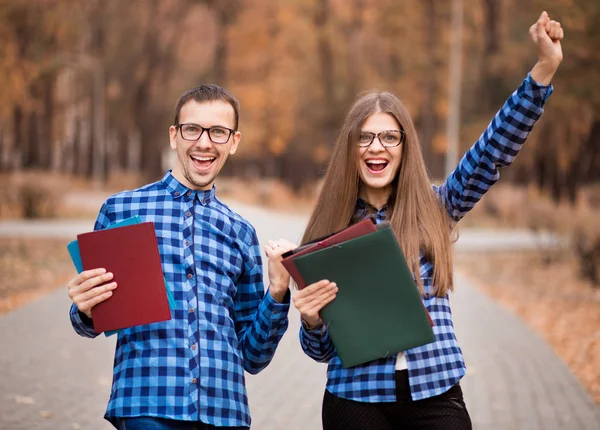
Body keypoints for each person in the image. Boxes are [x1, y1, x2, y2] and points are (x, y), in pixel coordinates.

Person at [292, 11, 564, 430]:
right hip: (355, 398)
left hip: (434, 391)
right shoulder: (330, 231)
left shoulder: (438, 205)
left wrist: (543, 70)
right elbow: (321, 350)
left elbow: (493, 150)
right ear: (351, 148)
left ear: (404, 146)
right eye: (364, 136)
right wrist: (310, 321)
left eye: (388, 136)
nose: (376, 146)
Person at [67, 84, 295, 430]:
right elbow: (89, 321)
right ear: (175, 136)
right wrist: (85, 309)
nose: (204, 143)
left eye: (218, 132)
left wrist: (277, 292)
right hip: (147, 404)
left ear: (234, 141)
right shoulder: (121, 210)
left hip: (224, 411)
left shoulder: (241, 232)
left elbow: (253, 355)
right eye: (193, 129)